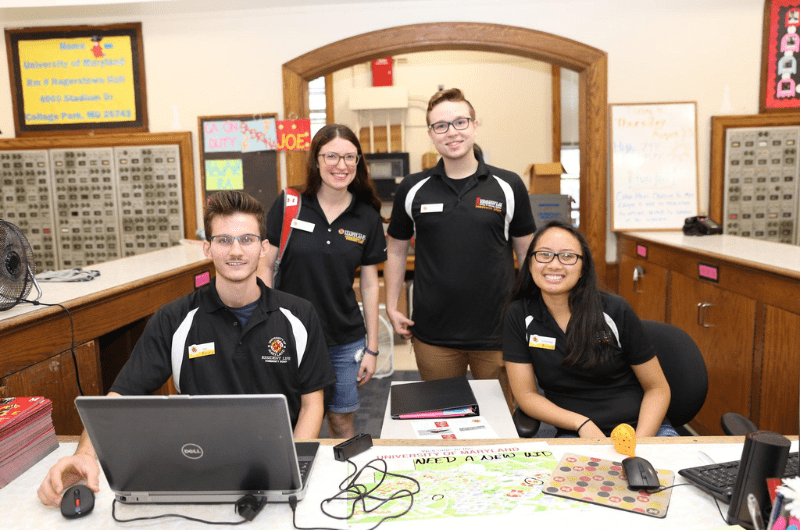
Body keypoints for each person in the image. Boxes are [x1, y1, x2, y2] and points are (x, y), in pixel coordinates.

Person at [37, 190, 336, 507]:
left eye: (247, 239)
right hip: (199, 465)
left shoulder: (299, 315)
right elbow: (120, 398)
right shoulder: (174, 319)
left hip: (277, 464)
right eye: (223, 240)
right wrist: (84, 455)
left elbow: (311, 405)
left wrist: (290, 470)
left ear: (264, 248)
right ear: (207, 248)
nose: (236, 250)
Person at [383, 88, 535, 408]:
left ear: (475, 126)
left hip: (498, 334)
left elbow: (527, 253)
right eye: (441, 125)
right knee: (442, 424)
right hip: (434, 337)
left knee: (500, 422)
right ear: (431, 135)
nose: (451, 132)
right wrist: (393, 306)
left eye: (460, 122)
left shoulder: (509, 186)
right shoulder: (413, 188)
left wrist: (532, 309)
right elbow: (396, 251)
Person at [259, 124, 387, 439]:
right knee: (293, 421)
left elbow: (370, 284)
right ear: (317, 160)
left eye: (349, 157)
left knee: (341, 421)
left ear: (358, 163)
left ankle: (345, 483)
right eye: (331, 156)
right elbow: (264, 264)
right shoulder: (291, 204)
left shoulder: (366, 215)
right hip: (289, 335)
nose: (340, 165)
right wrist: (264, 321)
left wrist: (372, 347)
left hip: (344, 339)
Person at [503, 219, 674, 438]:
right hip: (577, 433)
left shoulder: (614, 309)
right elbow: (526, 395)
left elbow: (657, 388)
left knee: (659, 474)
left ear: (583, 268)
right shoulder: (519, 315)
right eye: (544, 254)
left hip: (643, 429)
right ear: (530, 262)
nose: (554, 265)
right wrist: (581, 423)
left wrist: (639, 443)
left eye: (567, 256)